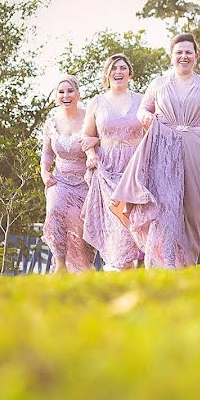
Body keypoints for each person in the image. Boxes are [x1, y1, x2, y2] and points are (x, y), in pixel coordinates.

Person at [112, 33, 200, 268]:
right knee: (165, 204)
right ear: (171, 56)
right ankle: (165, 260)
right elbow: (141, 112)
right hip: (164, 147)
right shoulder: (158, 83)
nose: (184, 56)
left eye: (188, 52)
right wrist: (147, 118)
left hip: (196, 148)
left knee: (192, 208)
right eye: (179, 52)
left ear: (196, 56)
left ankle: (187, 262)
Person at [81, 54, 144, 271]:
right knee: (117, 218)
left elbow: (152, 131)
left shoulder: (142, 100)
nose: (118, 72)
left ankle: (137, 262)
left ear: (130, 72)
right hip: (107, 167)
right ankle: (121, 265)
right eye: (114, 68)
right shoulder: (97, 102)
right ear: (107, 74)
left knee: (135, 217)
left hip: (135, 166)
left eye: (123, 68)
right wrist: (91, 155)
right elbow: (87, 136)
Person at [40, 75, 95, 273]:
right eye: (61, 92)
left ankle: (84, 266)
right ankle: (60, 264)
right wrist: (45, 173)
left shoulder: (90, 116)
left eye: (70, 91)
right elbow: (47, 153)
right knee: (54, 210)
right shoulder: (51, 123)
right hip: (59, 180)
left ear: (78, 94)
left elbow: (101, 140)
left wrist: (95, 144)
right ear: (56, 96)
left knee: (79, 223)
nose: (66, 95)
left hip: (85, 182)